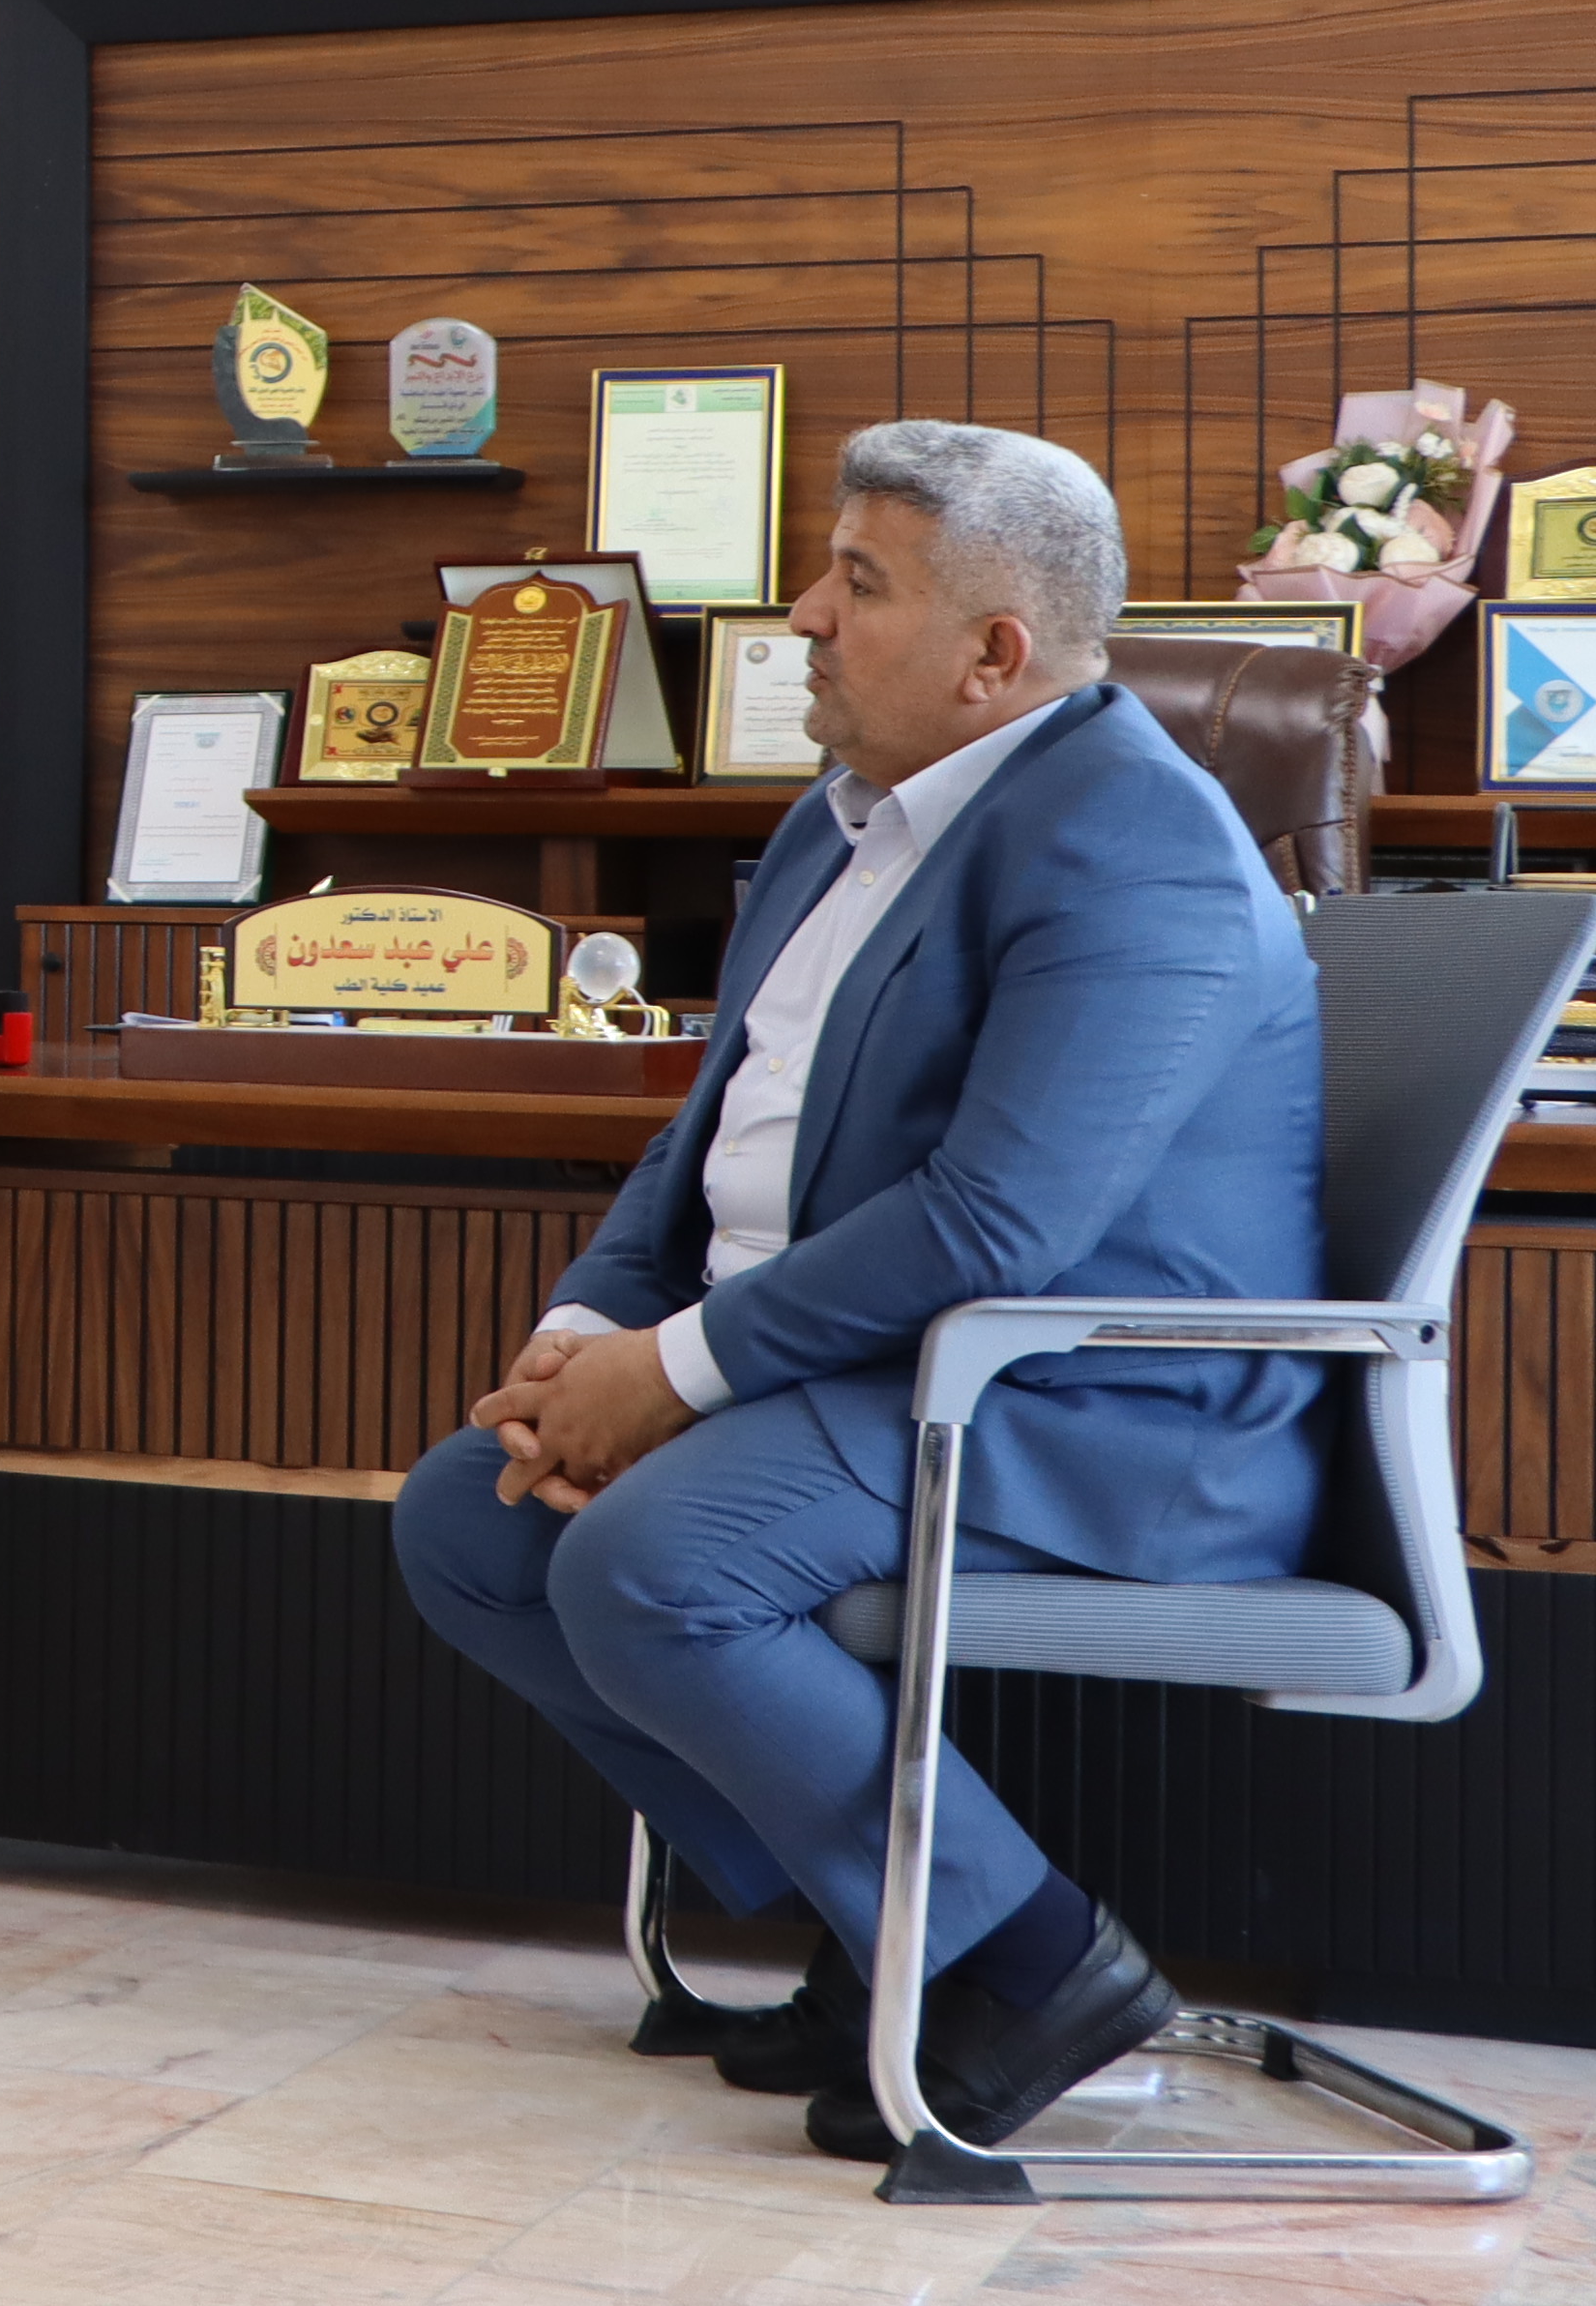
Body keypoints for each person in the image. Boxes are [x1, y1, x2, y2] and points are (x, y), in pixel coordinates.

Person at [394, 421, 1327, 2165]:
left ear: (996, 654)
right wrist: (587, 1336)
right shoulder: (839, 825)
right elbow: (706, 1140)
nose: (805, 616)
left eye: (859, 583)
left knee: (655, 1561)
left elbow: (992, 1222)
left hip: (1091, 1405)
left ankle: (1034, 1960)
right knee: (471, 1522)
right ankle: (885, 1927)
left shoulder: (1136, 844)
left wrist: (671, 1375)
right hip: (875, 1377)